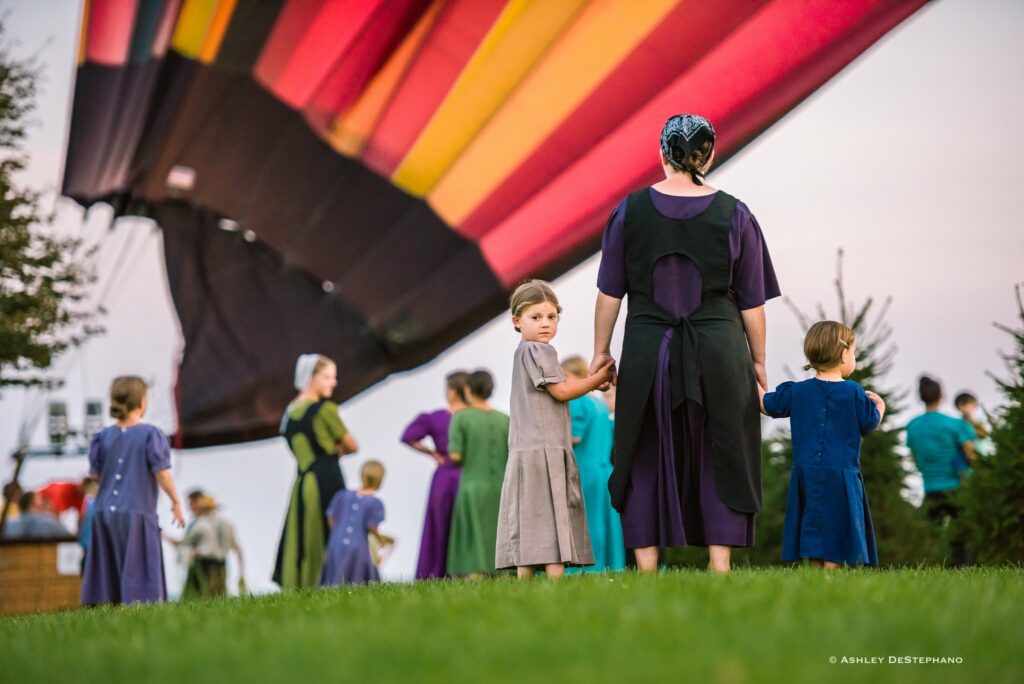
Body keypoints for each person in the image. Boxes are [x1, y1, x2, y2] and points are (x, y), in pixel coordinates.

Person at [590, 114, 780, 573]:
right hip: (720, 350)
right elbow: (752, 304)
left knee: (644, 448)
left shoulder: (629, 211)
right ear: (709, 155)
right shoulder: (736, 213)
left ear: (662, 154)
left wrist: (601, 351)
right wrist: (757, 363)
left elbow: (609, 293)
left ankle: (648, 566)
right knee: (724, 449)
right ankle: (719, 565)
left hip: (646, 349)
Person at [495, 283, 611, 579]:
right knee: (551, 513)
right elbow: (561, 391)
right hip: (544, 448)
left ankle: (525, 579)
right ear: (516, 320)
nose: (546, 323)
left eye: (551, 316)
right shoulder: (539, 350)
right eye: (536, 317)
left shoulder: (523, 352)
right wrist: (596, 379)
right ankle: (555, 579)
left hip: (526, 449)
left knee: (529, 516)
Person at [759, 321, 885, 568]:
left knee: (813, 526)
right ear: (842, 354)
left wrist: (748, 375)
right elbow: (868, 423)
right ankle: (831, 575)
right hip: (842, 475)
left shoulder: (798, 391)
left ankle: (816, 576)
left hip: (806, 473)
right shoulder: (853, 392)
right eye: (854, 352)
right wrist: (880, 407)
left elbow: (765, 404)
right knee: (836, 530)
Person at [80, 376, 186, 605]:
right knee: (139, 564)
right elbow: (161, 472)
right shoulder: (150, 434)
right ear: (141, 402)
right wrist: (176, 501)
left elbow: (94, 476)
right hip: (137, 511)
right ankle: (140, 603)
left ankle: (106, 601)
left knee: (108, 563)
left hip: (104, 512)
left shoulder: (102, 437)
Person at [274, 354, 359, 589]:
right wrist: (334, 449)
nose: (333, 382)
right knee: (333, 528)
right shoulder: (325, 410)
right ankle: (334, 580)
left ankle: (302, 582)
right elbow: (352, 445)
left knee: (302, 531)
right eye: (327, 377)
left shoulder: (289, 413)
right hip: (326, 476)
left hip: (302, 480)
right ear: (312, 378)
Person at [400, 371, 469, 580]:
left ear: (453, 391)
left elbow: (408, 436)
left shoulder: (436, 418)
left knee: (439, 524)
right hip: (468, 472)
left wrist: (432, 453)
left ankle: (436, 572)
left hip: (444, 474)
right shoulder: (475, 416)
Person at [561, 356, 626, 573]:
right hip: (604, 470)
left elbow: (574, 437)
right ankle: (609, 565)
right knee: (604, 522)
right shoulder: (599, 402)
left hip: (583, 469)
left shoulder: (577, 400)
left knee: (585, 521)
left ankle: (585, 568)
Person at [906, 375, 976, 566]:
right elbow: (971, 454)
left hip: (930, 488)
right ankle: (962, 571)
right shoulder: (955, 425)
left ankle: (927, 567)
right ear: (941, 395)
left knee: (929, 537)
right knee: (963, 536)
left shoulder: (913, 426)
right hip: (958, 487)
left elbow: (914, 458)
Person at [446, 370, 510, 578]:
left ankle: (475, 574)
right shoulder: (505, 419)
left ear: (467, 389)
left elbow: (455, 455)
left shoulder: (461, 417)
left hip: (472, 484)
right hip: (501, 486)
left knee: (473, 537)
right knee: (499, 533)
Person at [321, 461, 393, 586]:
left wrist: (338, 531)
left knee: (335, 580)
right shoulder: (375, 503)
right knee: (358, 580)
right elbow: (371, 526)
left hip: (336, 544)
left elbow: (330, 517)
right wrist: (381, 540)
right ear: (380, 481)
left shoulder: (341, 495)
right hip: (358, 546)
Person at [175, 495, 244, 599]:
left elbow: (184, 543)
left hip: (203, 566)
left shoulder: (200, 524)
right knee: (220, 598)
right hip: (222, 566)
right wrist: (241, 572)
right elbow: (238, 549)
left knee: (196, 598)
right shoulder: (228, 525)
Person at [2, 490, 71, 539]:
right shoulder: (49, 522)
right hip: (42, 558)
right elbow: (69, 537)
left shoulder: (8, 524)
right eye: (42, 502)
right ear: (33, 504)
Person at [954, 391, 994, 460]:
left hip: (986, 457)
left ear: (975, 404)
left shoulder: (982, 419)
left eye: (969, 403)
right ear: (958, 407)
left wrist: (972, 420)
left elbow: (983, 435)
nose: (966, 406)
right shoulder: (957, 424)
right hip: (967, 460)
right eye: (963, 404)